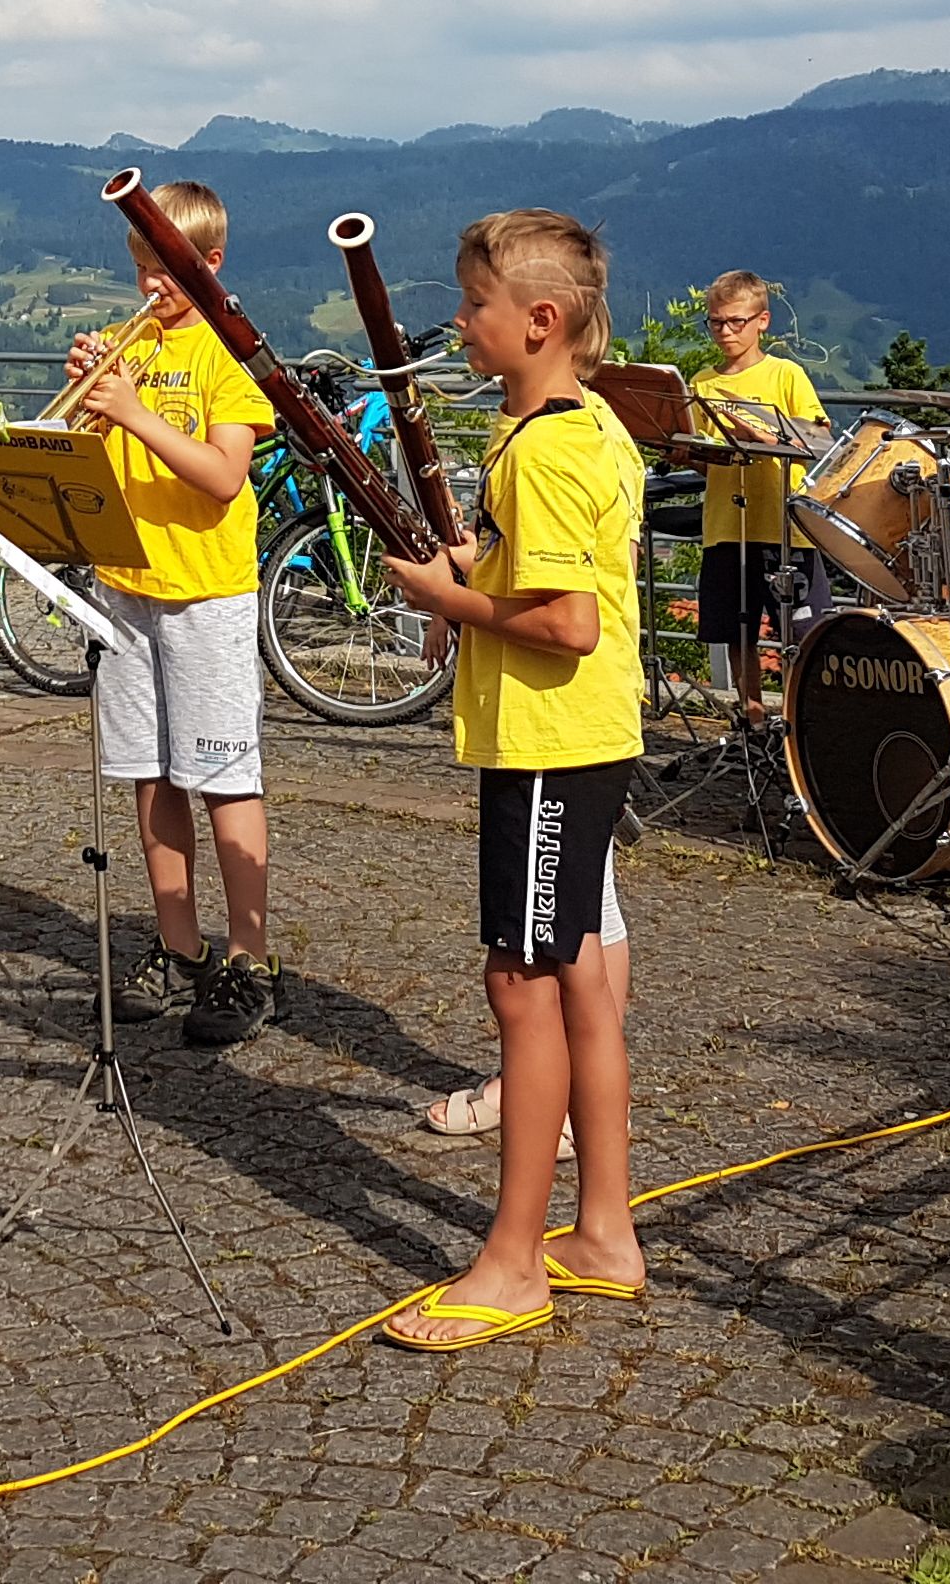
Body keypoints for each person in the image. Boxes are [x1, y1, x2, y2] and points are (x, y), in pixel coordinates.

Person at [380, 209, 649, 1349]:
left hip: (547, 743)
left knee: (521, 984)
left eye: (475, 303)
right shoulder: (587, 422)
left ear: (540, 320)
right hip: (586, 736)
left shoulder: (541, 451)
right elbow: (561, 575)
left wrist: (450, 598)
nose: (458, 320)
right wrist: (479, 567)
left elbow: (569, 623)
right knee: (580, 979)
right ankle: (604, 1235)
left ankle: (512, 1263)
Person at [60, 177, 282, 1049]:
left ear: (210, 265)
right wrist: (94, 403)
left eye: (167, 270)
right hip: (127, 583)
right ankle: (179, 944)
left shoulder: (229, 354)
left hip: (206, 592)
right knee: (149, 774)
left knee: (223, 775)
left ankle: (250, 958)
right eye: (141, 268)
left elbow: (223, 475)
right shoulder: (137, 347)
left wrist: (135, 410)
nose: (150, 287)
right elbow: (100, 460)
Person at [689, 270, 825, 724]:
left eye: (736, 322)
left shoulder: (786, 374)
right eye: (716, 323)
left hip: (785, 527)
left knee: (800, 633)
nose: (725, 332)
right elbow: (706, 462)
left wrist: (762, 437)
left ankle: (798, 722)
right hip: (727, 526)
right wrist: (687, 451)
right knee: (737, 630)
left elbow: (816, 440)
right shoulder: (702, 382)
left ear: (762, 321)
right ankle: (751, 718)